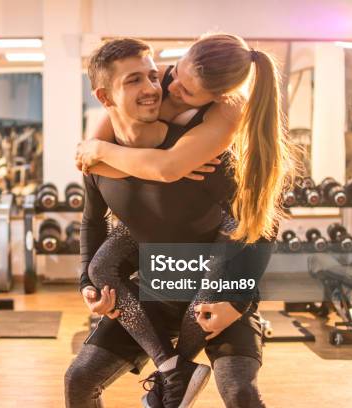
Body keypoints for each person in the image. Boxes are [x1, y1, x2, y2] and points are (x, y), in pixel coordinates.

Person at [66, 35, 296, 408]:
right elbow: (94, 218)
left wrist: (236, 300)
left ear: (214, 98)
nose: (163, 88)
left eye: (182, 90)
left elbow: (258, 219)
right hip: (156, 288)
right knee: (78, 378)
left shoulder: (207, 146)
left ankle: (176, 372)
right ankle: (172, 369)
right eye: (165, 75)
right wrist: (87, 287)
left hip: (217, 283)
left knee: (240, 391)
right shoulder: (107, 144)